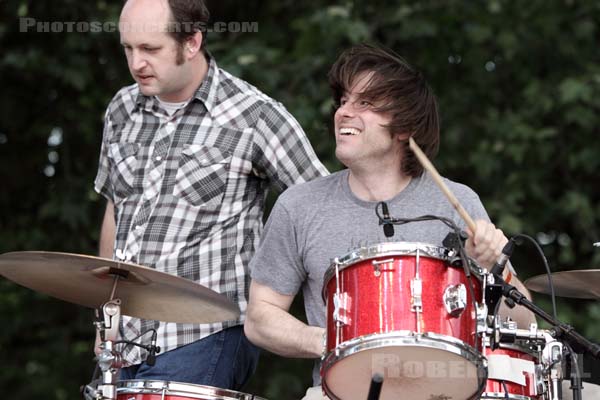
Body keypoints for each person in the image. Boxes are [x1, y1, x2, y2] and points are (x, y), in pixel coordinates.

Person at [244, 43, 536, 399]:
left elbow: (526, 322)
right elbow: (260, 317)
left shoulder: (456, 202)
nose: (343, 113)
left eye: (364, 103)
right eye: (343, 101)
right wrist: (336, 342)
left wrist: (497, 267)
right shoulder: (299, 206)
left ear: (403, 128)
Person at [93, 0, 328, 390]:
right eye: (128, 48)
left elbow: (323, 210)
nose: (136, 63)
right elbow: (116, 213)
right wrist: (104, 321)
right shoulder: (121, 109)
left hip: (205, 335)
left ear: (191, 42)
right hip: (123, 343)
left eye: (150, 49)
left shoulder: (256, 116)